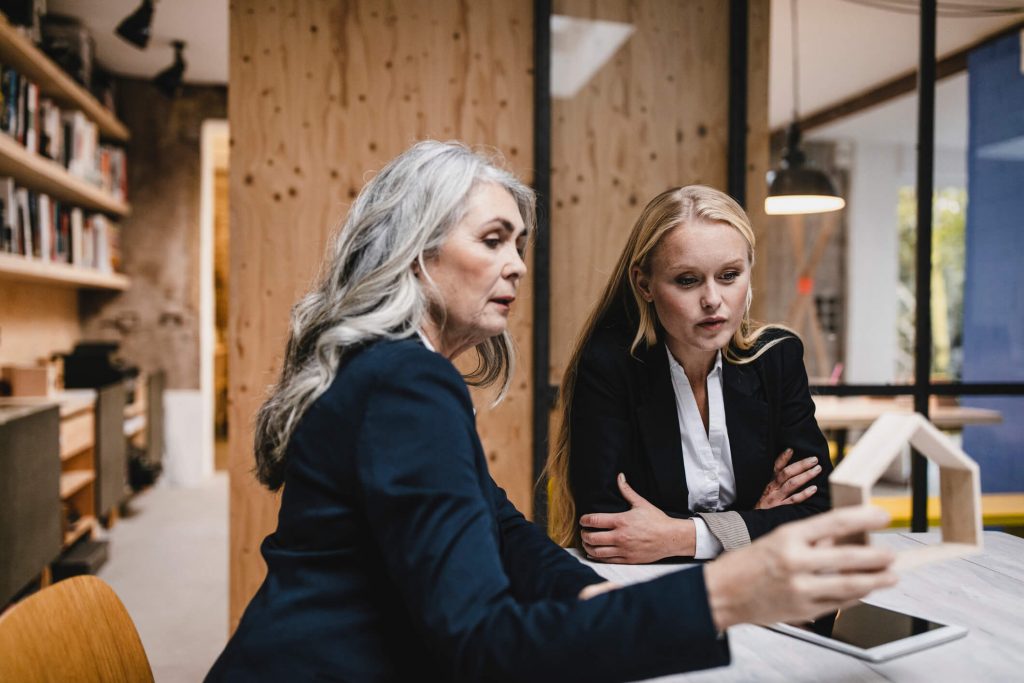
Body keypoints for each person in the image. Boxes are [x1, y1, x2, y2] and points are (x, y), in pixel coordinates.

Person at [206, 142, 896, 682]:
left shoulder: (397, 374)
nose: (516, 265)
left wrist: (592, 595)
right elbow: (484, 643)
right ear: (416, 253)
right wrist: (723, 592)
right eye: (493, 239)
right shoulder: (404, 385)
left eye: (519, 243)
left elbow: (505, 530)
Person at [547, 185, 833, 563]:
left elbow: (820, 512)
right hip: (651, 597)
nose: (713, 299)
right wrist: (754, 523)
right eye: (687, 280)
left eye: (730, 275)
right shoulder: (610, 367)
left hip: (768, 590)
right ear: (644, 284)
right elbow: (607, 529)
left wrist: (682, 536)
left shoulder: (777, 358)